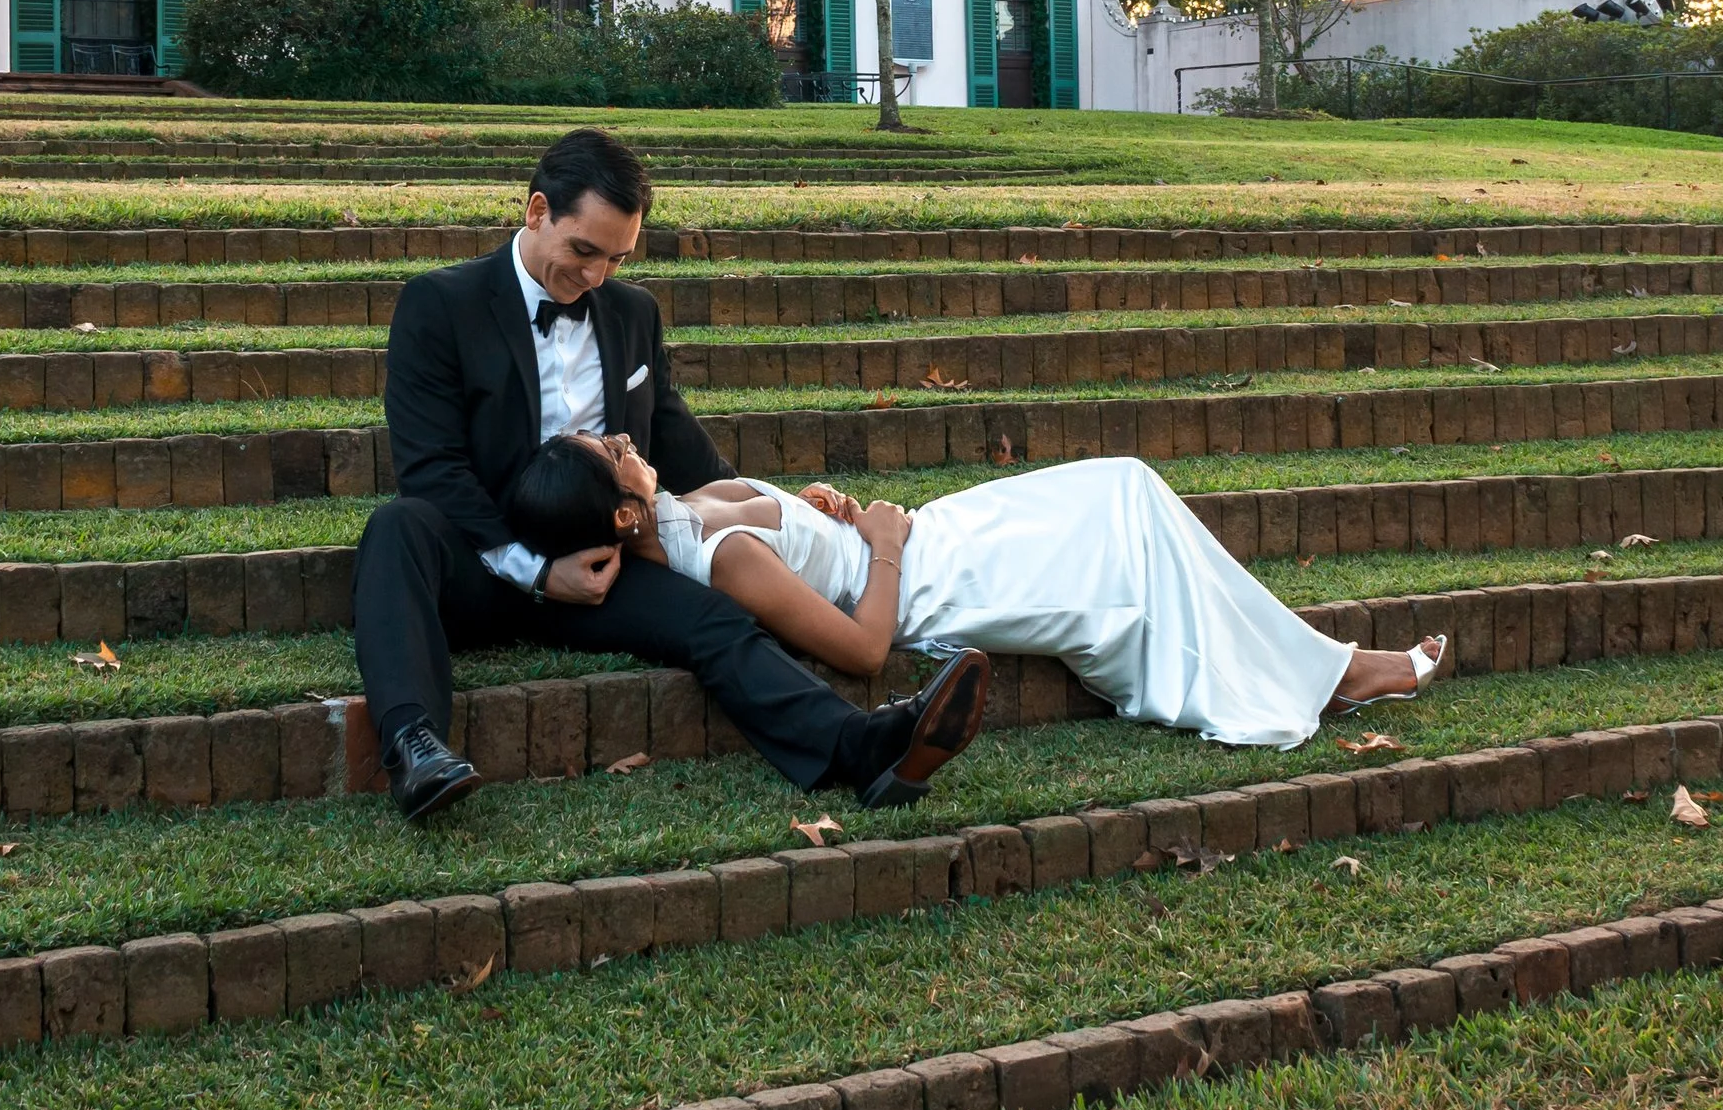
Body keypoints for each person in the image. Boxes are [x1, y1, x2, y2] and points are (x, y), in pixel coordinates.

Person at [349, 123, 991, 819]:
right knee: (398, 528)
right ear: (537, 212)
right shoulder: (440, 305)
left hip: (608, 566)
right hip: (485, 560)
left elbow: (676, 440)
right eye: (583, 251)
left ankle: (861, 748)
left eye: (616, 258)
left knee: (714, 617)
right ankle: (417, 749)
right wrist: (536, 570)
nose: (596, 276)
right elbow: (432, 470)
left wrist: (778, 501)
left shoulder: (631, 312)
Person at [507, 431, 1448, 746]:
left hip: (933, 533)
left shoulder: (693, 500)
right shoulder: (722, 565)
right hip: (925, 583)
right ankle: (1334, 674)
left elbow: (798, 525)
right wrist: (876, 543)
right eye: (612, 454)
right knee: (1124, 547)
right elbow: (868, 650)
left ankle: (1323, 666)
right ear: (622, 519)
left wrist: (822, 507)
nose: (626, 441)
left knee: (1126, 483)